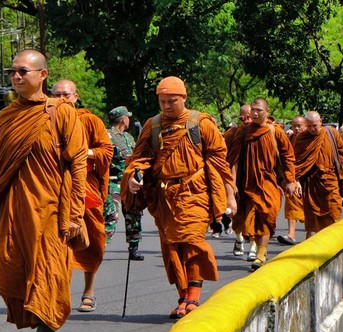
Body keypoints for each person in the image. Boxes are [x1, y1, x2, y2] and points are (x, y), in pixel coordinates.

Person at [0, 49, 87, 332]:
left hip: (50, 212)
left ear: (42, 75)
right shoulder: (5, 117)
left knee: (48, 276)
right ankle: (39, 328)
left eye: (23, 71)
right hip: (14, 211)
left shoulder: (61, 113)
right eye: (13, 72)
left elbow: (78, 163)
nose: (16, 77)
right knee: (11, 274)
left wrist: (75, 213)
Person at [121, 76, 237, 319]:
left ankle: (193, 296)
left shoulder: (200, 123)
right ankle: (182, 295)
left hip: (194, 192)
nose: (166, 106)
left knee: (192, 241)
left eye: (171, 101)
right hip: (165, 196)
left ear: (184, 98)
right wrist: (133, 176)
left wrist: (229, 195)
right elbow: (139, 158)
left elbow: (219, 161)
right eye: (162, 101)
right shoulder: (153, 126)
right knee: (171, 246)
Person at [51, 79, 113, 313]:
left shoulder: (89, 120)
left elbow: (106, 151)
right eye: (56, 95)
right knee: (57, 240)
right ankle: (59, 292)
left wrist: (82, 152)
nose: (61, 99)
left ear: (76, 97)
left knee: (93, 241)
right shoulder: (45, 120)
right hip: (54, 187)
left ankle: (89, 290)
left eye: (66, 95)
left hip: (84, 186)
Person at [226, 98, 299, 270]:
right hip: (247, 185)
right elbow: (233, 160)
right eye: (253, 110)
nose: (255, 113)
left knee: (267, 216)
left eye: (259, 110)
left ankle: (261, 252)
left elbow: (288, 157)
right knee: (249, 219)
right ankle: (257, 249)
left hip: (268, 183)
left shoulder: (275, 132)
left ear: (267, 111)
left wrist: (290, 180)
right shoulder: (242, 132)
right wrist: (232, 184)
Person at [293, 111, 343, 238]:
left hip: (330, 180)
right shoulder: (301, 138)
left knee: (333, 211)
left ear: (321, 122)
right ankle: (317, 239)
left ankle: (333, 239)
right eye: (309, 126)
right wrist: (295, 180)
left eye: (315, 125)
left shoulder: (331, 133)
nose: (312, 129)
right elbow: (296, 160)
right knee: (313, 215)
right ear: (306, 125)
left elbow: (341, 153)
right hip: (311, 182)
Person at [105, 105, 145, 261]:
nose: (129, 119)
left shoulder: (128, 137)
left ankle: (133, 248)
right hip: (113, 182)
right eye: (127, 117)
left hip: (128, 181)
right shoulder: (107, 135)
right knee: (110, 215)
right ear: (123, 119)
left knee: (134, 214)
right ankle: (101, 246)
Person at [223, 104, 256, 257]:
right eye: (245, 117)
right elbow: (230, 160)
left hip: (257, 181)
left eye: (251, 116)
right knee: (237, 214)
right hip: (238, 180)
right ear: (240, 117)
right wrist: (232, 183)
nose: (248, 120)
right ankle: (239, 239)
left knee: (255, 213)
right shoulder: (232, 134)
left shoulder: (262, 132)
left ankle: (254, 246)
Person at [277, 116, 306, 245]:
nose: (297, 128)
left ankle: (309, 234)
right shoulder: (289, 139)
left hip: (308, 178)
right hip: (293, 177)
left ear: (305, 126)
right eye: (295, 126)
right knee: (291, 203)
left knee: (309, 207)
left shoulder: (311, 140)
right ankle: (291, 234)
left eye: (300, 125)